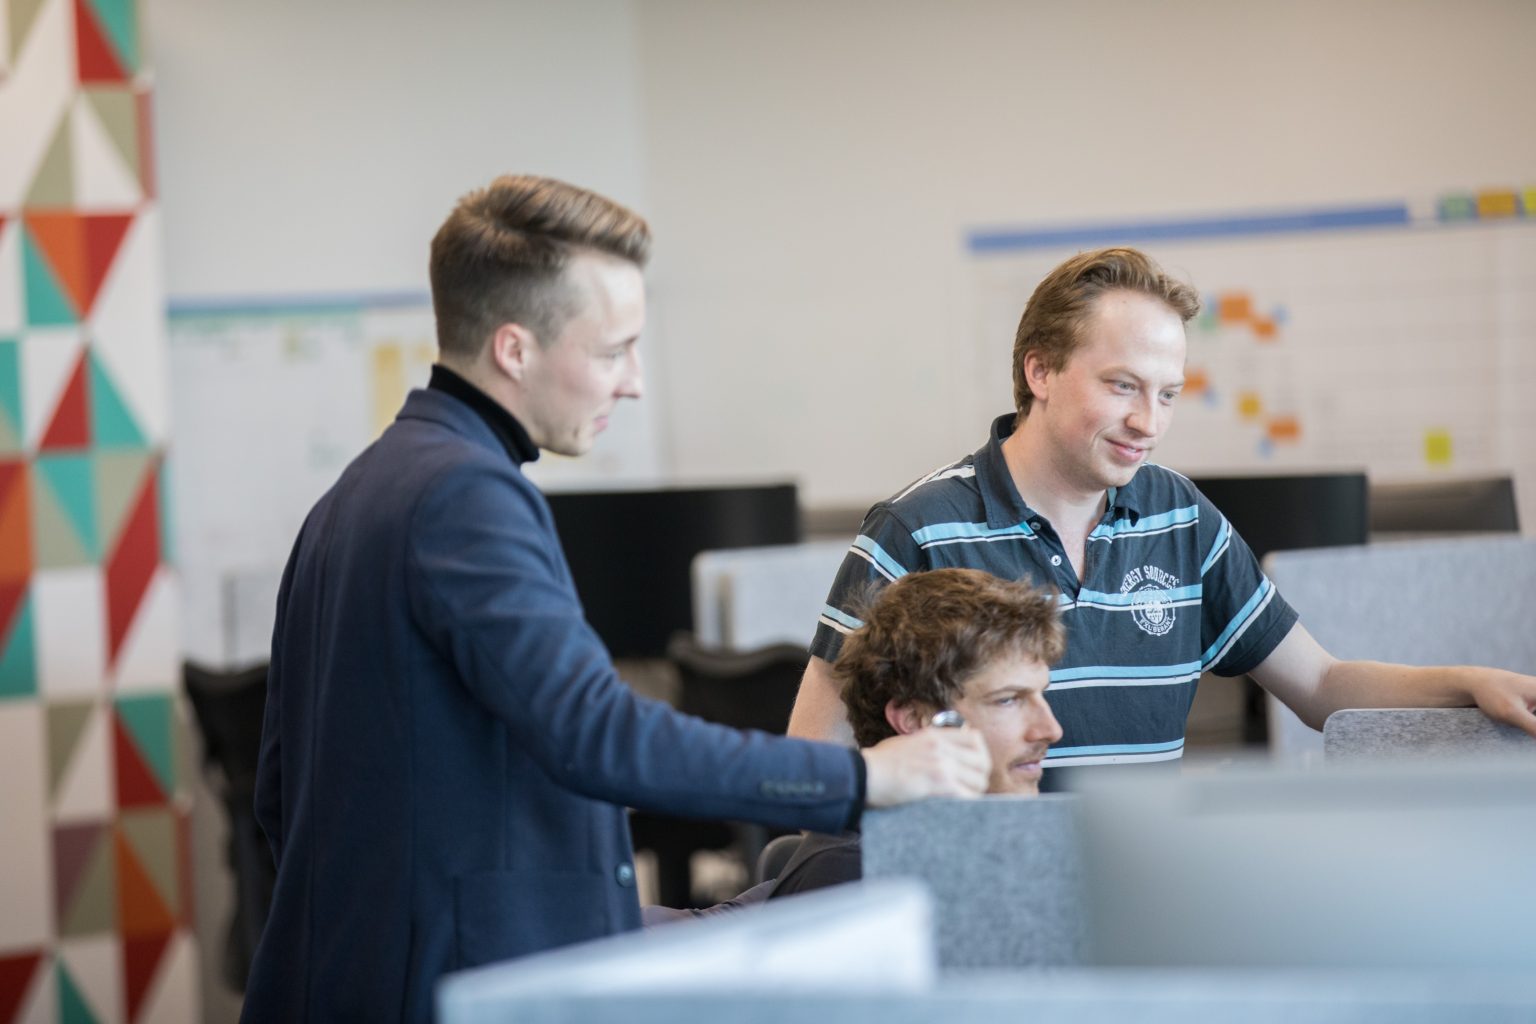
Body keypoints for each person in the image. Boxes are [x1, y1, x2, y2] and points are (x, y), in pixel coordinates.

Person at [241, 175, 992, 1023]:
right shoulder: (467, 496)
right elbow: (598, 733)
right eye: (612, 351)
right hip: (450, 986)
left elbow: (278, 790)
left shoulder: (353, 494)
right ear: (515, 349)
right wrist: (860, 779)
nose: (632, 382)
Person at [786, 247, 1536, 765]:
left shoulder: (1183, 519)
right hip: (987, 892)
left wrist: (1466, 682)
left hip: (1137, 887)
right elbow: (817, 754)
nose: (1150, 422)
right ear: (1039, 370)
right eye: (1122, 386)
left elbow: (1319, 687)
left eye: (1168, 393)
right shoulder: (917, 529)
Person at [773, 568, 1066, 896]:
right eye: (1008, 700)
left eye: (1041, 694)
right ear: (915, 718)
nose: (1051, 730)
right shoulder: (858, 872)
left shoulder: (1004, 847)